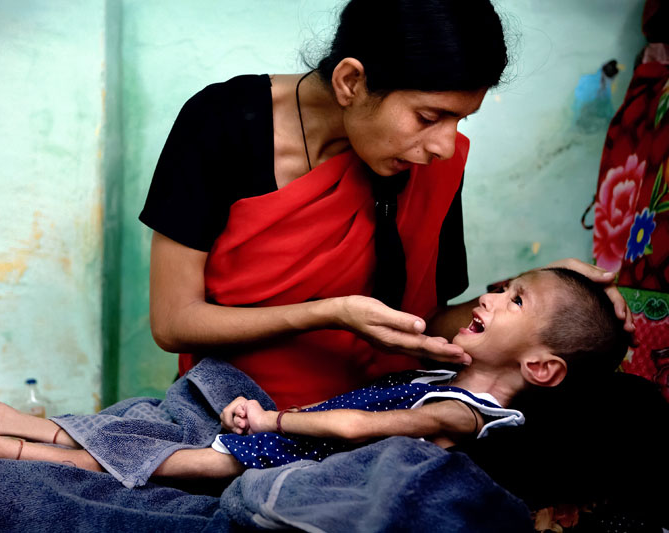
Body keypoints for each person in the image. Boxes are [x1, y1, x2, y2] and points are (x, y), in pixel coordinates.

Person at [138, 0, 634, 412]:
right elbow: (174, 321)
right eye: (429, 117)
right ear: (351, 82)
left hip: (383, 414)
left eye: (460, 120)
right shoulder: (221, 123)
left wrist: (544, 295)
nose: (445, 145)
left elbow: (425, 321)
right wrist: (328, 314)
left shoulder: (430, 162)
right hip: (234, 412)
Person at [0, 268, 629, 480]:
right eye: (502, 286)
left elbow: (356, 425)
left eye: (515, 299)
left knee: (143, 461)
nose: (489, 298)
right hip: (285, 440)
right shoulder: (453, 377)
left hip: (282, 455)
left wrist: (271, 420)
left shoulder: (467, 413)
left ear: (541, 367)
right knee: (136, 436)